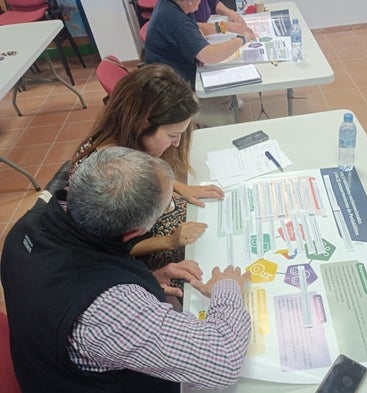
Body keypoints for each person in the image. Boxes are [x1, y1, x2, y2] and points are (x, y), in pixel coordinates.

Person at [1, 147, 251, 393]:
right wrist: (226, 288)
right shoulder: (107, 309)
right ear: (133, 233)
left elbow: (65, 285)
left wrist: (146, 279)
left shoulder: (26, 229)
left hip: (48, 364)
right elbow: (223, 361)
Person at [73, 64, 224, 286]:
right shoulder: (105, 178)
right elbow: (111, 245)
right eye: (173, 134)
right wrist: (170, 241)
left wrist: (181, 187)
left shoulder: (128, 141)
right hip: (142, 258)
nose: (177, 143)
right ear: (143, 123)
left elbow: (156, 175)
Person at [144, 0, 257, 127]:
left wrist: (225, 26)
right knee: (227, 119)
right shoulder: (176, 19)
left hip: (178, 75)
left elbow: (196, 28)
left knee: (227, 96)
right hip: (169, 92)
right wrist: (243, 39)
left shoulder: (175, 5)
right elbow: (209, 56)